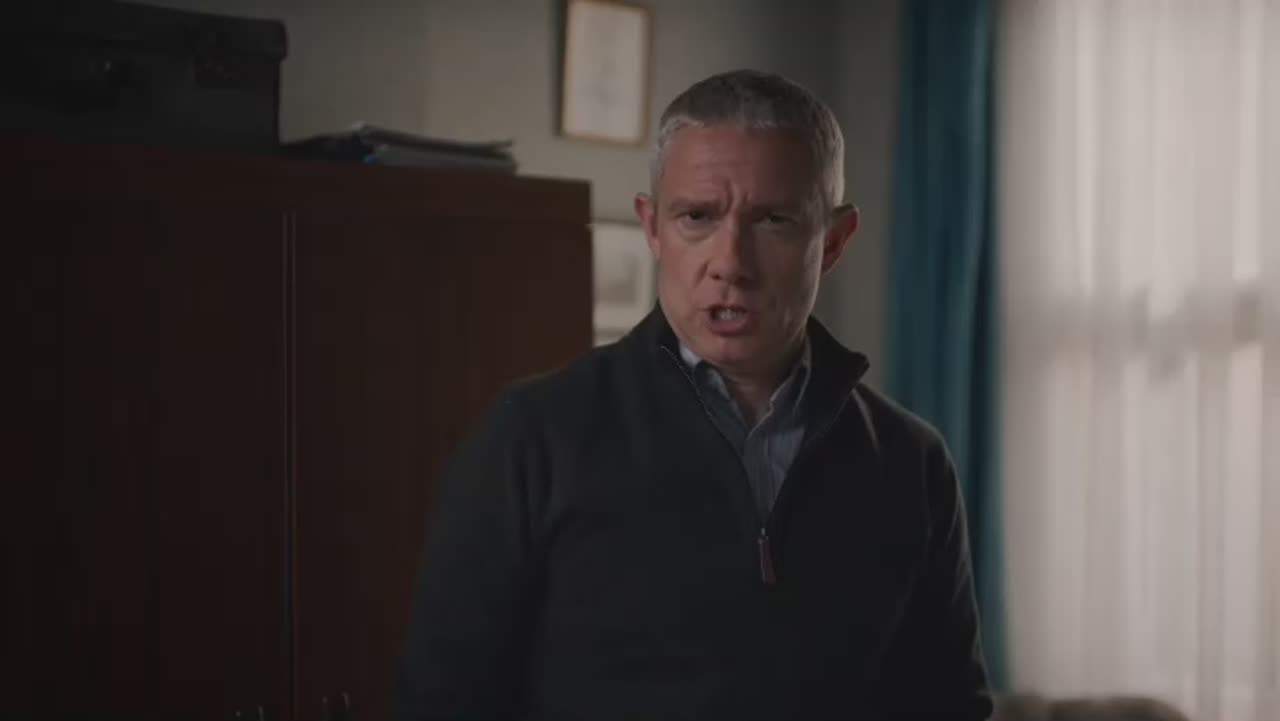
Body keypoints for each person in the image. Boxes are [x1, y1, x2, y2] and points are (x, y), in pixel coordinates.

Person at [395, 69, 993, 720]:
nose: (730, 262)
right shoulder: (532, 438)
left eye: (774, 220)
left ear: (833, 241)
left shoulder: (910, 464)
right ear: (652, 228)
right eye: (697, 217)